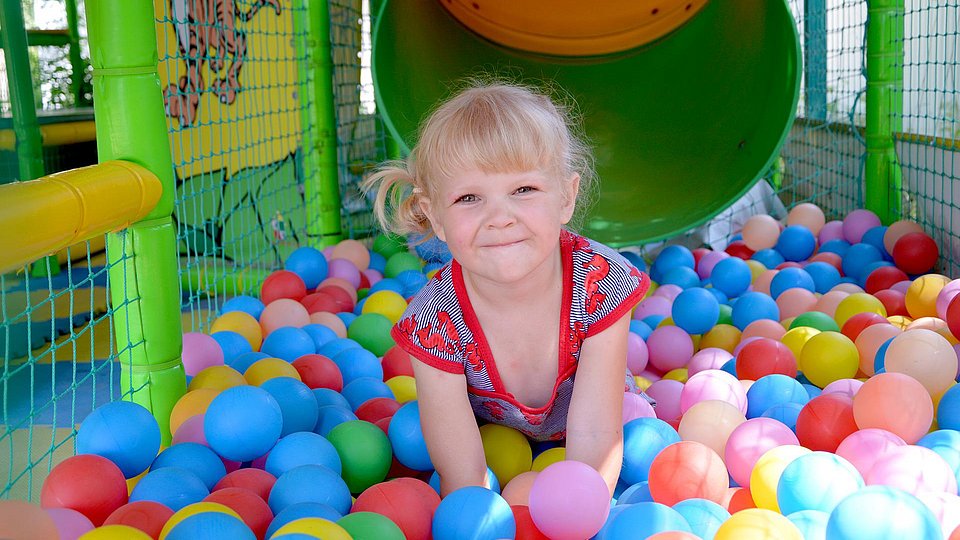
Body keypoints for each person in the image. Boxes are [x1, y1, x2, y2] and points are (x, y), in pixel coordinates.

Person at [362, 81, 651, 497]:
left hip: (601, 426)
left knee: (642, 432)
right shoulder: (434, 323)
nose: (499, 216)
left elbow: (596, 433)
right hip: (497, 440)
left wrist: (580, 506)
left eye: (524, 189)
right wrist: (480, 514)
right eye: (468, 198)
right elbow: (464, 474)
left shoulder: (601, 283)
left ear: (566, 198)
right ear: (435, 216)